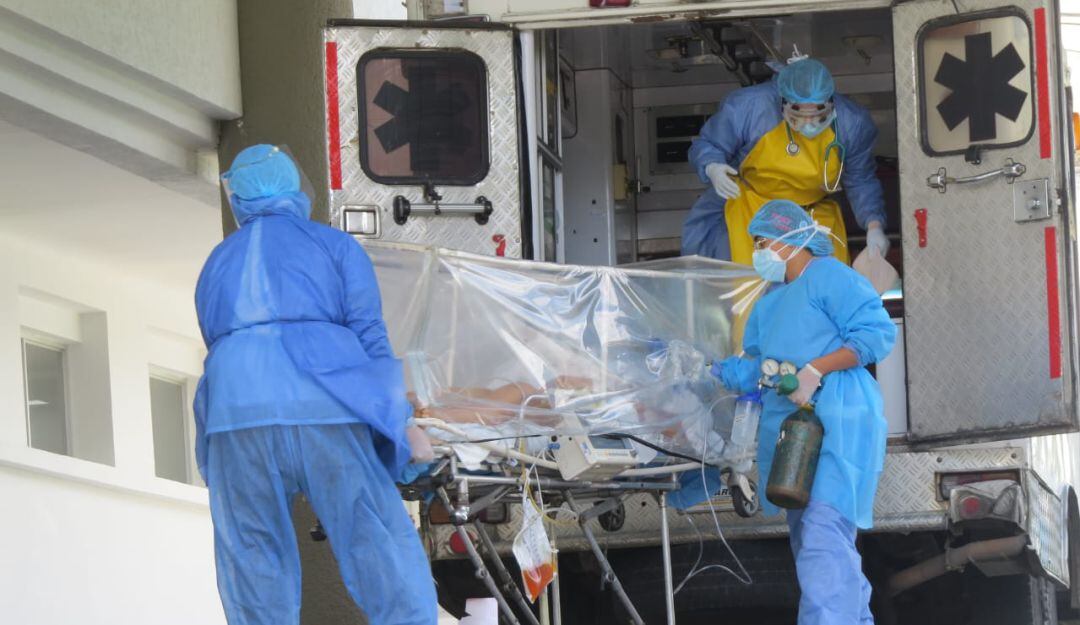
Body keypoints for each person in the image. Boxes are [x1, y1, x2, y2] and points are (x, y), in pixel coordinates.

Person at [193, 144, 437, 625]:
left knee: (252, 556)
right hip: (323, 407)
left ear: (237, 198)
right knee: (372, 537)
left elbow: (215, 345)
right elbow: (370, 338)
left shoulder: (216, 263)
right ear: (293, 188)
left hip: (236, 417)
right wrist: (402, 425)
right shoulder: (335, 247)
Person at [713, 200, 896, 625]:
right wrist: (712, 369)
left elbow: (876, 333)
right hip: (791, 438)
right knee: (817, 542)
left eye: (764, 242)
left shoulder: (831, 278)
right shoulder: (770, 302)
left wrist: (817, 369)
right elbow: (760, 366)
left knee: (820, 537)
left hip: (836, 421)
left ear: (792, 238)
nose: (760, 252)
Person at [682, 58, 889, 266]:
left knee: (818, 292)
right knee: (746, 289)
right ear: (783, 102)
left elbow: (860, 179)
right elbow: (708, 144)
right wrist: (712, 166)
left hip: (812, 219)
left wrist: (874, 225)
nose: (808, 126)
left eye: (818, 116)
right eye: (798, 117)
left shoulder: (852, 123)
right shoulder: (749, 107)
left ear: (831, 103)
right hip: (750, 209)